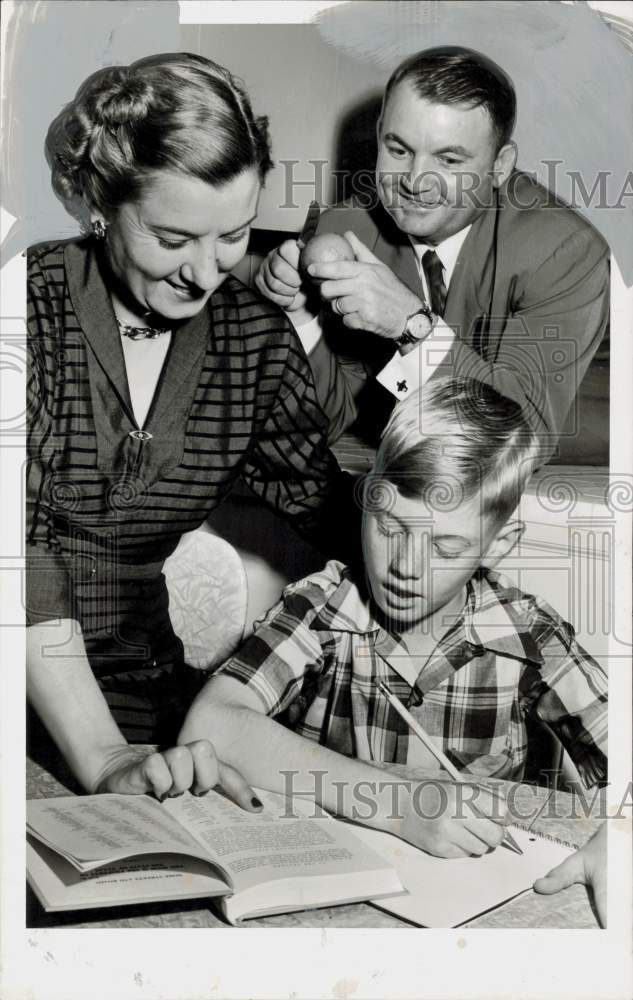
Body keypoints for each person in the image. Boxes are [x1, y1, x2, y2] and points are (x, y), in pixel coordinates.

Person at [26, 52, 350, 803]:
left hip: (144, 698)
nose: (205, 274)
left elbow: (325, 508)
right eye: (172, 240)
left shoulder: (254, 344)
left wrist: (441, 519)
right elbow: (19, 553)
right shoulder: (25, 308)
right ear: (99, 204)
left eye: (232, 236)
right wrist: (104, 759)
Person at [178, 377, 607, 867]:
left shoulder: (528, 633)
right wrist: (401, 806)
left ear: (499, 544)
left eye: (445, 547)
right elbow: (209, 723)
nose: (406, 565)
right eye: (389, 526)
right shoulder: (320, 610)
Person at [256, 46, 609, 456]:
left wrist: (411, 326)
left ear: (499, 165)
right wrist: (299, 318)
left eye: (448, 159)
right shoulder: (345, 229)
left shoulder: (565, 251)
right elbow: (324, 423)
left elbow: (520, 438)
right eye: (399, 150)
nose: (415, 180)